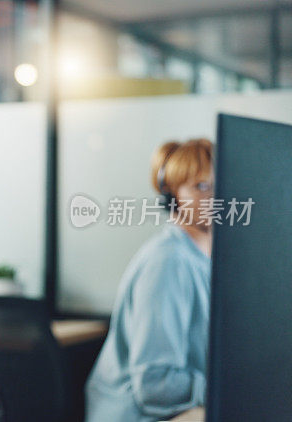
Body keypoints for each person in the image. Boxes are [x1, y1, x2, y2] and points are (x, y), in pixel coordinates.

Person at [85, 139, 214, 421]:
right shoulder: (169, 261)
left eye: (220, 184)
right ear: (173, 196)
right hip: (134, 414)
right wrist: (228, 388)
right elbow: (155, 384)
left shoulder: (211, 261)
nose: (215, 197)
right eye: (201, 187)